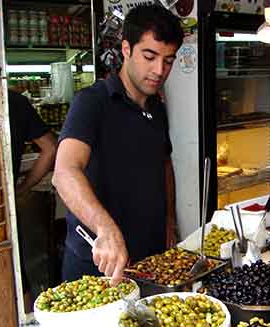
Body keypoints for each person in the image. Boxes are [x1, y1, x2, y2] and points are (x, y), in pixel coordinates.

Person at [53, 4, 183, 284]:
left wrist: (170, 220)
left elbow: (164, 163)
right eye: (149, 56)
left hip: (149, 260)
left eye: (169, 60)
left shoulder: (156, 107)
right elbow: (65, 172)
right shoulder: (92, 102)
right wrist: (105, 228)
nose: (159, 70)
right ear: (126, 49)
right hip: (98, 266)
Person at [7, 90, 58, 310]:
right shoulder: (13, 100)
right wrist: (23, 188)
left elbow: (51, 148)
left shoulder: (11, 101)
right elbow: (51, 147)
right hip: (1, 207)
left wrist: (22, 188)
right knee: (15, 275)